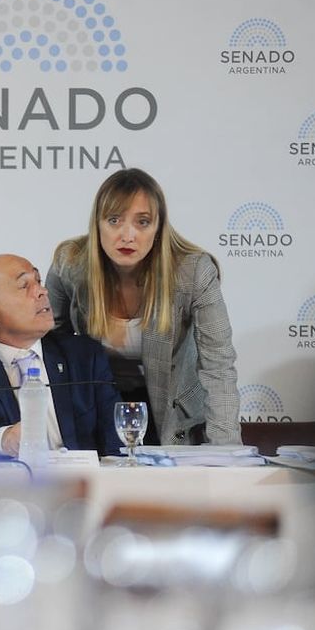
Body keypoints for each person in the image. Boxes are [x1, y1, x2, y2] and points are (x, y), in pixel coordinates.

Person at [47, 168, 240, 445]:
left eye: (143, 222)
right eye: (114, 220)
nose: (127, 236)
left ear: (158, 227)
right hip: (97, 405)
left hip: (171, 405)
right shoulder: (71, 263)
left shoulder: (193, 271)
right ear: (97, 224)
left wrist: (227, 453)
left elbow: (218, 365)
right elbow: (48, 345)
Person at [0, 254, 123, 458]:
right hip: (8, 486)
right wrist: (4, 439)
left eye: (39, 281)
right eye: (25, 286)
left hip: (84, 482)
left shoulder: (83, 355)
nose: (42, 291)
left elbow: (116, 439)